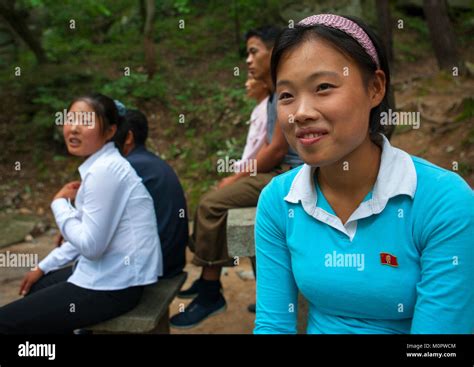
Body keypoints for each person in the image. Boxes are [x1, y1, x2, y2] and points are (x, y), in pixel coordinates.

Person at [254, 14, 474, 334]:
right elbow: (273, 324)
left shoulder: (444, 201)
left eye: (324, 87)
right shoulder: (278, 201)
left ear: (375, 88)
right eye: (286, 95)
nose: (301, 112)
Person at [170, 26, 303, 329]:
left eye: (254, 51)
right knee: (218, 205)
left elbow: (276, 149)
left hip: (290, 173)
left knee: (212, 204)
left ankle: (209, 288)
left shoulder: (287, 89)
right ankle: (209, 285)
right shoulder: (272, 95)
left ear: (274, 51)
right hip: (276, 171)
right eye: (247, 53)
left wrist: (238, 177)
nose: (247, 60)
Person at [0, 93, 162, 334]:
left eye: (85, 121)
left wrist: (59, 204)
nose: (74, 128)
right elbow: (87, 235)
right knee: (38, 287)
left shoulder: (105, 171)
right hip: (114, 276)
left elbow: (91, 245)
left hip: (113, 286)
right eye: (70, 119)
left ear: (109, 132)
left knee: (6, 321)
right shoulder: (102, 166)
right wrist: (43, 266)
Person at [114, 109, 188, 278]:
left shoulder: (128, 167)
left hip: (156, 266)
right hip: (171, 260)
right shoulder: (150, 162)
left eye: (111, 132)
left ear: (128, 137)